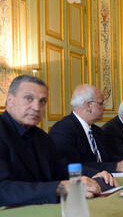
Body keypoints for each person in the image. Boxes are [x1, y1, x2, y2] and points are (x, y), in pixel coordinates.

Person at [0, 75, 101, 207]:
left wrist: (97, 175)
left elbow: (61, 169)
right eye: (28, 98)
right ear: (10, 100)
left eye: (42, 101)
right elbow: (3, 190)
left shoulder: (42, 137)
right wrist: (58, 188)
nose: (36, 107)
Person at [49, 85, 123, 173]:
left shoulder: (97, 131)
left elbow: (108, 159)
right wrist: (117, 166)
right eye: (101, 103)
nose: (104, 108)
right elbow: (71, 167)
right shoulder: (63, 130)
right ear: (89, 105)